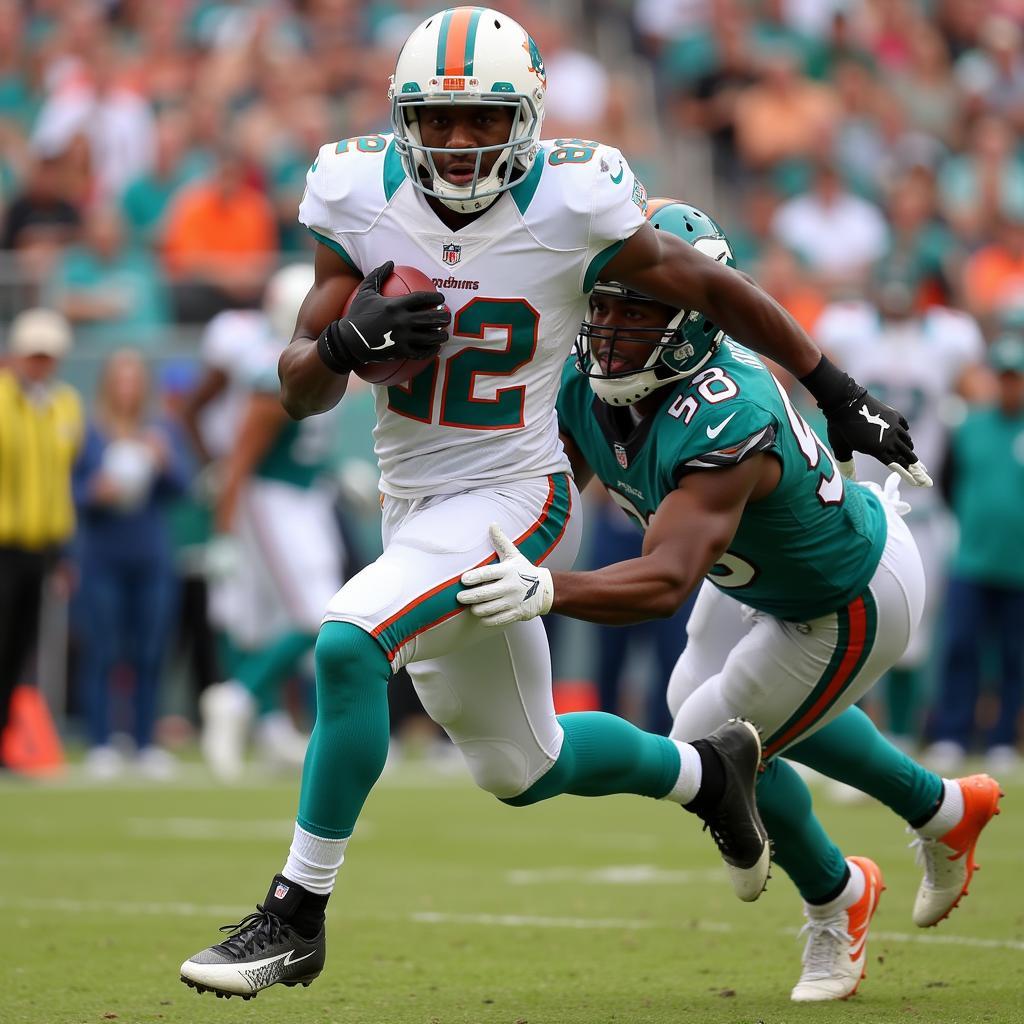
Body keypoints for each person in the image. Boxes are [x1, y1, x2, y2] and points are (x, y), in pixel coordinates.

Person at [180, 8, 929, 999]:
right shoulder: (355, 188)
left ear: (526, 115)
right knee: (521, 766)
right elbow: (296, 390)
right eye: (434, 120)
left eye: (479, 117)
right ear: (403, 120)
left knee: (347, 642)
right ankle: (711, 777)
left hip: (509, 495)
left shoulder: (576, 200)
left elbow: (705, 285)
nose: (455, 142)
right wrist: (335, 349)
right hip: (413, 500)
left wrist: (832, 385)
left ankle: (295, 914)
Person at [457, 200, 1001, 1001]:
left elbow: (665, 581)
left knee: (711, 741)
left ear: (697, 316)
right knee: (706, 709)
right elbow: (556, 496)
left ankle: (835, 896)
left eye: (639, 310)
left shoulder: (724, 414)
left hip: (846, 596)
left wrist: (544, 589)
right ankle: (944, 809)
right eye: (601, 303)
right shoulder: (583, 380)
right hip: (757, 574)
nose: (609, 327)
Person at [815, 273, 986, 746]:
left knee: (912, 634)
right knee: (850, 626)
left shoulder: (947, 340)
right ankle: (854, 740)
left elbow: (980, 390)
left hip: (921, 508)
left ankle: (903, 735)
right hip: (863, 503)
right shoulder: (852, 330)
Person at [196, 263, 349, 781]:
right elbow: (241, 457)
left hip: (306, 497)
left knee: (275, 621)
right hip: (272, 499)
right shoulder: (271, 368)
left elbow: (308, 441)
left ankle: (269, 724)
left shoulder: (324, 358)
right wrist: (222, 531)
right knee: (317, 614)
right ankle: (236, 701)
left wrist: (334, 474)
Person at [72, 349, 189, 779]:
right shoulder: (89, 432)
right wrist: (93, 492)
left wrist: (164, 460)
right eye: (119, 379)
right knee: (103, 649)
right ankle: (102, 741)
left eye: (133, 379)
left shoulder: (160, 430)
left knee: (150, 650)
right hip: (102, 555)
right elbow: (73, 494)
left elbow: (182, 487)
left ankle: (144, 742)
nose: (127, 388)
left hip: (150, 555)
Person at [925, 332, 1024, 772]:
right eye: (1004, 377)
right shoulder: (968, 427)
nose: (1010, 387)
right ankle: (952, 733)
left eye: (1017, 378)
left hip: (1019, 565)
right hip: (972, 558)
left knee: (1013, 654)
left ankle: (1003, 738)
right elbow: (947, 481)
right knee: (961, 646)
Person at [0, 309, 82, 771]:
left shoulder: (64, 404)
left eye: (47, 357)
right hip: (3, 542)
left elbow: (62, 477)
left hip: (42, 545)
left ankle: (3, 744)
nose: (40, 365)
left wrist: (62, 551)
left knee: (19, 648)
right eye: (33, 356)